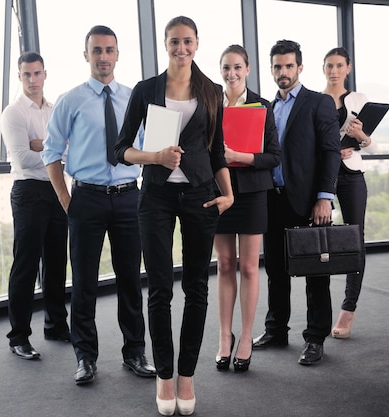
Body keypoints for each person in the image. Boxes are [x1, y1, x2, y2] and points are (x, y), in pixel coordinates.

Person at [115, 16, 234, 416]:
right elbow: (121, 150)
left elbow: (217, 152)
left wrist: (228, 193)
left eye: (187, 41)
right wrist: (155, 157)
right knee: (162, 288)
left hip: (201, 195)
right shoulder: (146, 90)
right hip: (157, 197)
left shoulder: (212, 91)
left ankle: (187, 375)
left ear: (197, 44)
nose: (180, 48)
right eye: (173, 42)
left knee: (197, 288)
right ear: (165, 45)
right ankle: (165, 376)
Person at [41, 25, 155, 385]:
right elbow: (51, 151)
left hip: (127, 197)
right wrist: (65, 199)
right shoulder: (70, 100)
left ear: (118, 55)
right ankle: (85, 357)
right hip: (86, 199)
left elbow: (148, 146)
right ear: (86, 55)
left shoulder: (134, 98)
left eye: (109, 50)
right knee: (85, 282)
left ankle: (134, 352)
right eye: (96, 50)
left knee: (130, 280)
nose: (103, 57)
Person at [252, 40, 340, 366]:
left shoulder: (318, 103)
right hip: (271, 200)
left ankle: (315, 338)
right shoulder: (265, 108)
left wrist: (324, 198)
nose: (283, 72)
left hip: (308, 202)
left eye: (289, 66)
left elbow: (331, 152)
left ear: (300, 67)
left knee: (316, 273)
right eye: (277, 67)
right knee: (276, 269)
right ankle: (276, 330)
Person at [213, 45, 281, 373]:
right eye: (226, 67)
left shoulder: (262, 106)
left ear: (248, 68)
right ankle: (224, 337)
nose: (232, 73)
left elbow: (274, 157)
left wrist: (240, 157)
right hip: (219, 191)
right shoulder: (211, 106)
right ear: (221, 70)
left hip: (253, 194)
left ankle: (245, 337)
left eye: (237, 67)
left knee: (250, 268)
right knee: (225, 265)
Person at [0, 51, 70, 360]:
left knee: (56, 262)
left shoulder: (55, 111)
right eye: (26, 74)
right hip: (28, 192)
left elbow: (68, 150)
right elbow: (22, 158)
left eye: (37, 73)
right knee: (26, 265)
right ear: (20, 77)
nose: (32, 79)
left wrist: (42, 145)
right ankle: (19, 336)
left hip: (56, 190)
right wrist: (52, 150)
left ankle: (55, 324)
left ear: (44, 74)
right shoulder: (13, 113)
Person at [321, 47, 377, 339]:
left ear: (348, 68)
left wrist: (359, 137)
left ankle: (348, 308)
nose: (333, 70)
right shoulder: (315, 100)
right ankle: (320, 314)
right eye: (329, 65)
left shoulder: (359, 100)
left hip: (352, 174)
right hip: (324, 176)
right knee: (320, 240)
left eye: (338, 65)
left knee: (356, 238)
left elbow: (371, 144)